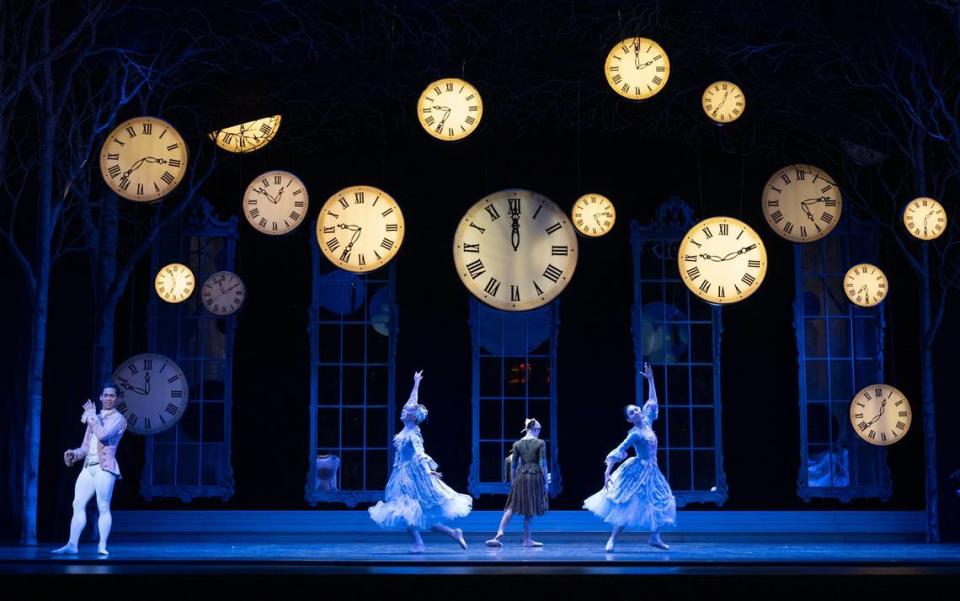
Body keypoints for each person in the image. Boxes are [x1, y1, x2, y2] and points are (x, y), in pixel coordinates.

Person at [368, 370, 472, 553]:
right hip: (400, 473)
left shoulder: (414, 432)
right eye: (405, 408)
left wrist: (428, 469)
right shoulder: (405, 429)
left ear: (412, 416)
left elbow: (420, 453)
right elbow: (412, 401)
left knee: (406, 511)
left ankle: (421, 543)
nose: (404, 409)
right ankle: (452, 533)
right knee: (416, 515)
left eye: (407, 410)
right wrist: (416, 383)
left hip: (411, 475)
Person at [583, 363, 676, 552]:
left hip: (653, 471)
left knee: (663, 500)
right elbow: (619, 449)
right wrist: (607, 471)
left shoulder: (648, 422)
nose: (637, 412)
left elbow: (652, 401)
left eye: (637, 409)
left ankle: (655, 537)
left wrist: (650, 380)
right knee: (627, 506)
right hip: (637, 470)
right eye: (632, 412)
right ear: (629, 419)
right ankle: (612, 539)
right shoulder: (634, 433)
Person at [51, 384, 127, 556]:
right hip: (88, 466)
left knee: (103, 506)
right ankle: (72, 544)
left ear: (117, 398)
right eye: (105, 395)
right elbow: (86, 447)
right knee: (77, 503)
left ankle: (102, 545)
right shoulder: (96, 417)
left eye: (112, 395)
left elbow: (104, 435)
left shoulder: (118, 419)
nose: (108, 398)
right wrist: (74, 453)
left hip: (105, 468)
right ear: (100, 397)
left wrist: (92, 417)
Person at [485, 418, 550, 548]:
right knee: (529, 509)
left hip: (520, 477)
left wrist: (513, 482)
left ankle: (500, 531)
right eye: (539, 430)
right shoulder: (540, 443)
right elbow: (543, 463)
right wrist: (546, 482)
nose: (539, 432)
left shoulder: (517, 444)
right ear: (535, 429)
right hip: (534, 476)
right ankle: (527, 539)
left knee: (511, 505)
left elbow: (513, 466)